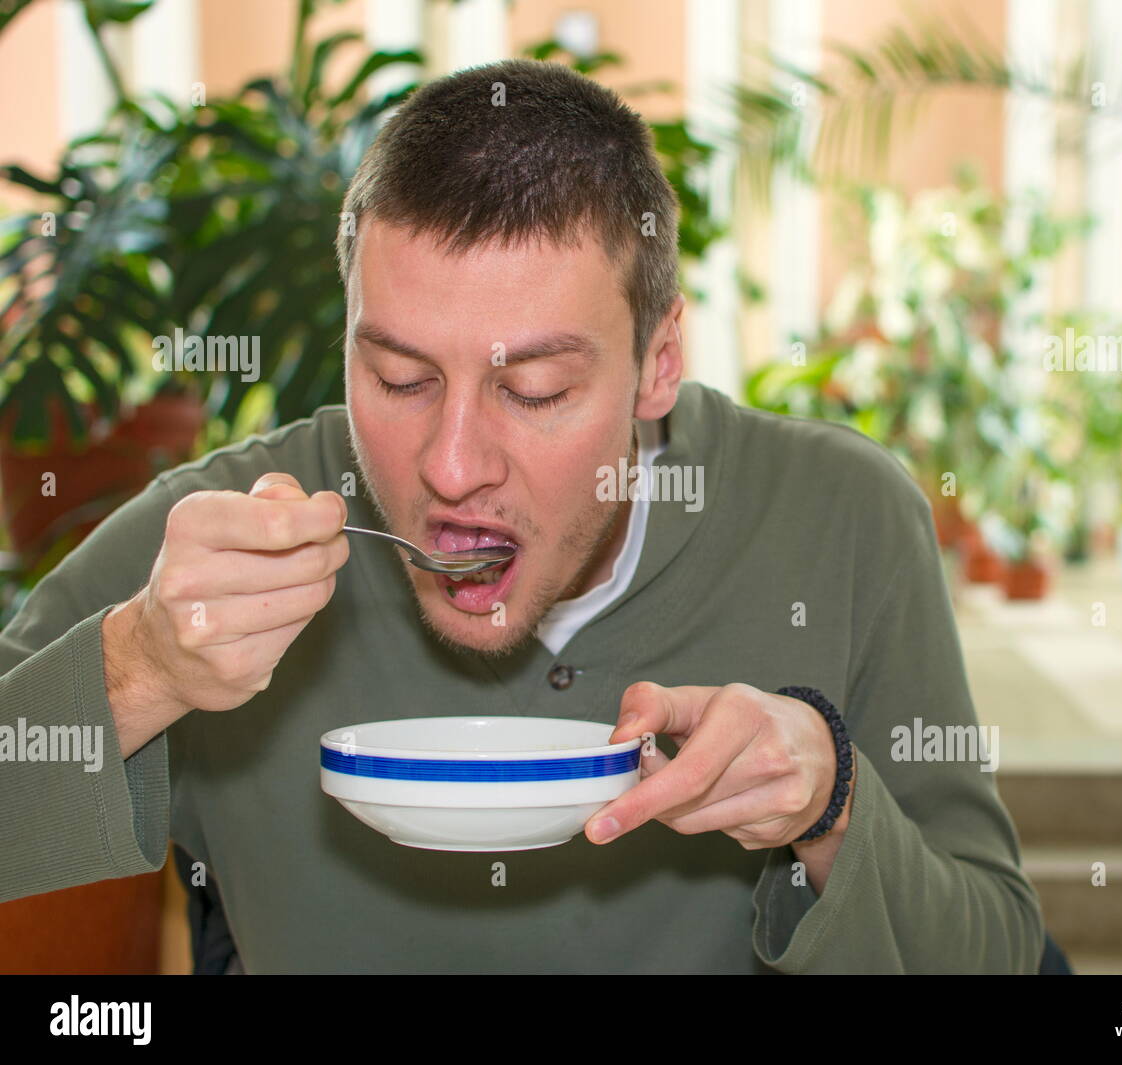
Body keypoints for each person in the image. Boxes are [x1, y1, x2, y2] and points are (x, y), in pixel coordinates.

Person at [0, 58, 1043, 974]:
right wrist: (137, 670)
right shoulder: (229, 535)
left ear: (658, 363)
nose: (452, 467)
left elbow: (993, 957)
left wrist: (832, 809)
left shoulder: (842, 517)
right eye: (401, 377)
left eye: (534, 390)